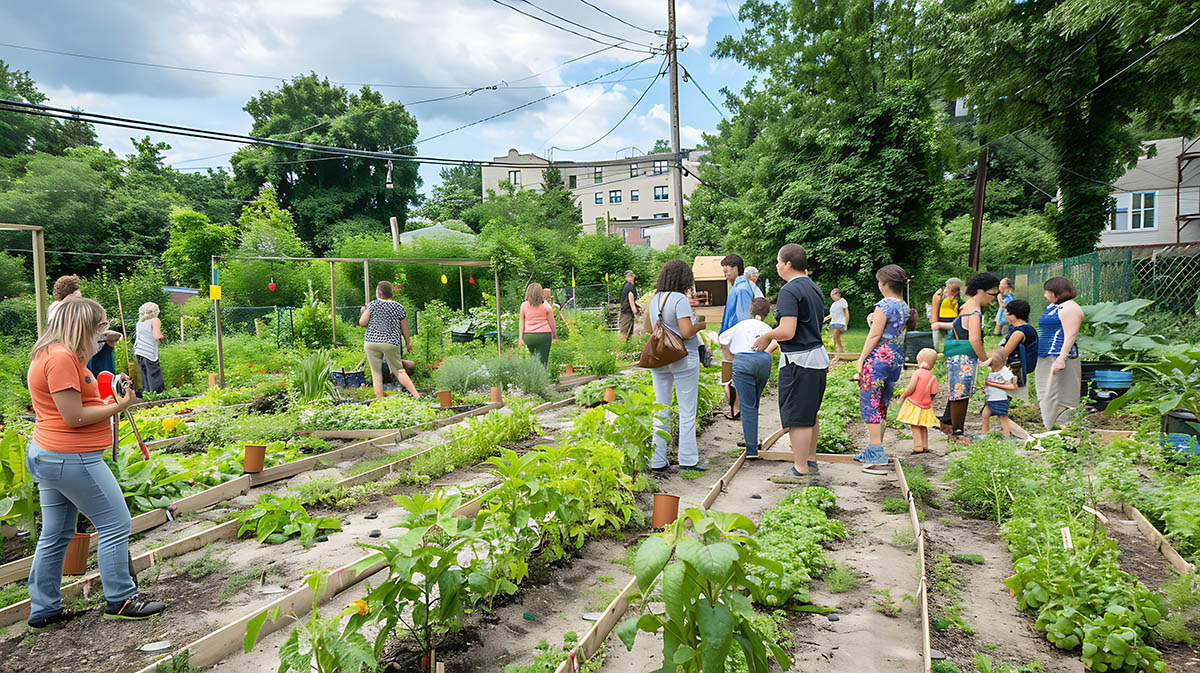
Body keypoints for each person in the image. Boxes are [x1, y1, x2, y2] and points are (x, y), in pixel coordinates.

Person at [25, 297, 167, 629]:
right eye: (100, 325)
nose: (104, 331)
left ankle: (44, 607)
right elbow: (74, 418)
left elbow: (74, 406)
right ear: (82, 325)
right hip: (72, 457)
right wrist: (120, 406)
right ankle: (121, 598)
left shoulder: (52, 353)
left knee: (56, 533)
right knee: (115, 524)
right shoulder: (61, 358)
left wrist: (106, 399)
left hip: (52, 455)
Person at [753, 244, 827, 478]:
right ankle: (810, 460)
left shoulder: (789, 291)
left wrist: (766, 337)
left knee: (798, 417)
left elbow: (787, 331)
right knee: (809, 411)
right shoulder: (813, 288)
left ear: (787, 264)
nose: (776, 266)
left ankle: (800, 468)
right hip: (816, 357)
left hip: (799, 362)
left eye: (777, 261)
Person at [852, 265, 916, 470]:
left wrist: (861, 360)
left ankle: (876, 452)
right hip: (895, 359)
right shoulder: (905, 306)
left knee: (870, 403)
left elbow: (875, 336)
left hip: (878, 359)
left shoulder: (884, 305)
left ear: (885, 284)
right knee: (882, 404)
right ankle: (874, 447)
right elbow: (889, 331)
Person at [648, 260, 708, 473]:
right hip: (683, 358)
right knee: (687, 410)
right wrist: (700, 325)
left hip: (660, 359)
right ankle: (688, 459)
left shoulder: (655, 299)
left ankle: (657, 460)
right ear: (683, 278)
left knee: (661, 409)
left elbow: (650, 329)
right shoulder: (680, 299)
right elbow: (686, 332)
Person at [938, 273, 1001, 442]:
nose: (994, 299)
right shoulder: (974, 311)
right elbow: (975, 339)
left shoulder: (966, 306)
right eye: (993, 295)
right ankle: (957, 434)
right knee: (961, 393)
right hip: (964, 357)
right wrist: (985, 359)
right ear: (981, 291)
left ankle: (948, 424)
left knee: (957, 391)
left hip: (957, 354)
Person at [718, 297, 778, 458]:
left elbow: (722, 339)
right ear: (767, 313)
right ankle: (752, 438)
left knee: (747, 405)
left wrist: (729, 356)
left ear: (751, 311)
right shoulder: (767, 327)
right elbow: (775, 341)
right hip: (763, 362)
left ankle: (751, 449)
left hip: (743, 362)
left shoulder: (741, 325)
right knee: (754, 402)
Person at [1037, 276, 1083, 429]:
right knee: (1046, 393)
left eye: (1047, 291)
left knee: (1061, 394)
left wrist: (1061, 359)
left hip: (1059, 357)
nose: (1045, 295)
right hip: (1046, 355)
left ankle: (1064, 430)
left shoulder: (1070, 308)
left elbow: (1070, 335)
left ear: (1057, 292)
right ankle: (1051, 428)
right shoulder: (1055, 307)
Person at [359, 281, 419, 400]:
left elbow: (362, 323)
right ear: (391, 293)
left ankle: (380, 401)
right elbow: (405, 328)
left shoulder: (372, 305)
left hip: (372, 342)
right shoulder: (398, 307)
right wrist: (407, 343)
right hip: (391, 343)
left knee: (376, 373)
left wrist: (363, 311)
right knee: (400, 371)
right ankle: (416, 395)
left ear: (379, 293)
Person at [897, 348, 939, 455]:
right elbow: (934, 391)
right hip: (926, 405)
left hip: (914, 403)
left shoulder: (918, 373)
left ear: (920, 361)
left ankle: (918, 447)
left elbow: (911, 387)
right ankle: (925, 445)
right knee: (923, 425)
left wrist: (904, 395)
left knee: (914, 425)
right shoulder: (933, 376)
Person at [998, 300, 1038, 403]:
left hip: (1015, 372)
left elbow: (1005, 352)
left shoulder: (1019, 332)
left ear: (1013, 315)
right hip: (1019, 371)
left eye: (1007, 313)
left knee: (1015, 399)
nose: (1006, 315)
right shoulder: (1028, 328)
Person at [519, 282, 557, 368]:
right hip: (543, 335)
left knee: (533, 357)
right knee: (543, 360)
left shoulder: (524, 305)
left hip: (529, 336)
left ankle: (533, 377)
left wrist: (520, 338)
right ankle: (541, 379)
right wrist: (554, 336)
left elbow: (521, 322)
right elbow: (552, 322)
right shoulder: (545, 305)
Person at [981, 348, 1017, 437]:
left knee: (1003, 417)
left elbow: (1013, 378)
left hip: (1000, 398)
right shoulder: (989, 370)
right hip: (989, 398)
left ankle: (1007, 435)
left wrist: (1012, 383)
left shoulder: (1003, 370)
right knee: (985, 414)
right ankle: (984, 434)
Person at [133, 302, 164, 395]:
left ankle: (147, 394)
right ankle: (157, 395)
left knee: (145, 373)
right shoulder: (155, 320)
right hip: (149, 352)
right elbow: (157, 336)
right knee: (154, 373)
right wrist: (163, 337)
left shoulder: (139, 322)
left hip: (139, 350)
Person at [720, 254, 755, 334]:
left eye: (726, 271)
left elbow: (744, 319)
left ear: (735, 268)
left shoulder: (742, 289)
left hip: (737, 337)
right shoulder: (736, 287)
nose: (724, 275)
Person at [930, 278, 962, 350]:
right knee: (938, 346)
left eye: (955, 290)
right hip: (939, 322)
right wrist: (934, 323)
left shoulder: (960, 297)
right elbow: (934, 311)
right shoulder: (938, 295)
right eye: (950, 289)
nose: (951, 293)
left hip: (954, 323)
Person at [824, 288, 849, 353]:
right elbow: (832, 315)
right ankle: (841, 352)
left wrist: (846, 325)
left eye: (833, 295)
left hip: (840, 323)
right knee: (836, 339)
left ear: (838, 294)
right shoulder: (834, 304)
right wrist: (824, 319)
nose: (832, 297)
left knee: (835, 338)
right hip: (834, 323)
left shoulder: (842, 301)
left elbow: (846, 313)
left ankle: (839, 353)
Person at [617, 270, 640, 340]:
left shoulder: (626, 285)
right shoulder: (630, 286)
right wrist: (634, 309)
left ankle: (626, 343)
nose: (633, 278)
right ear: (630, 277)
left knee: (629, 329)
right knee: (625, 329)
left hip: (625, 310)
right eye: (633, 276)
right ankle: (622, 344)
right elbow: (630, 296)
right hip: (627, 311)